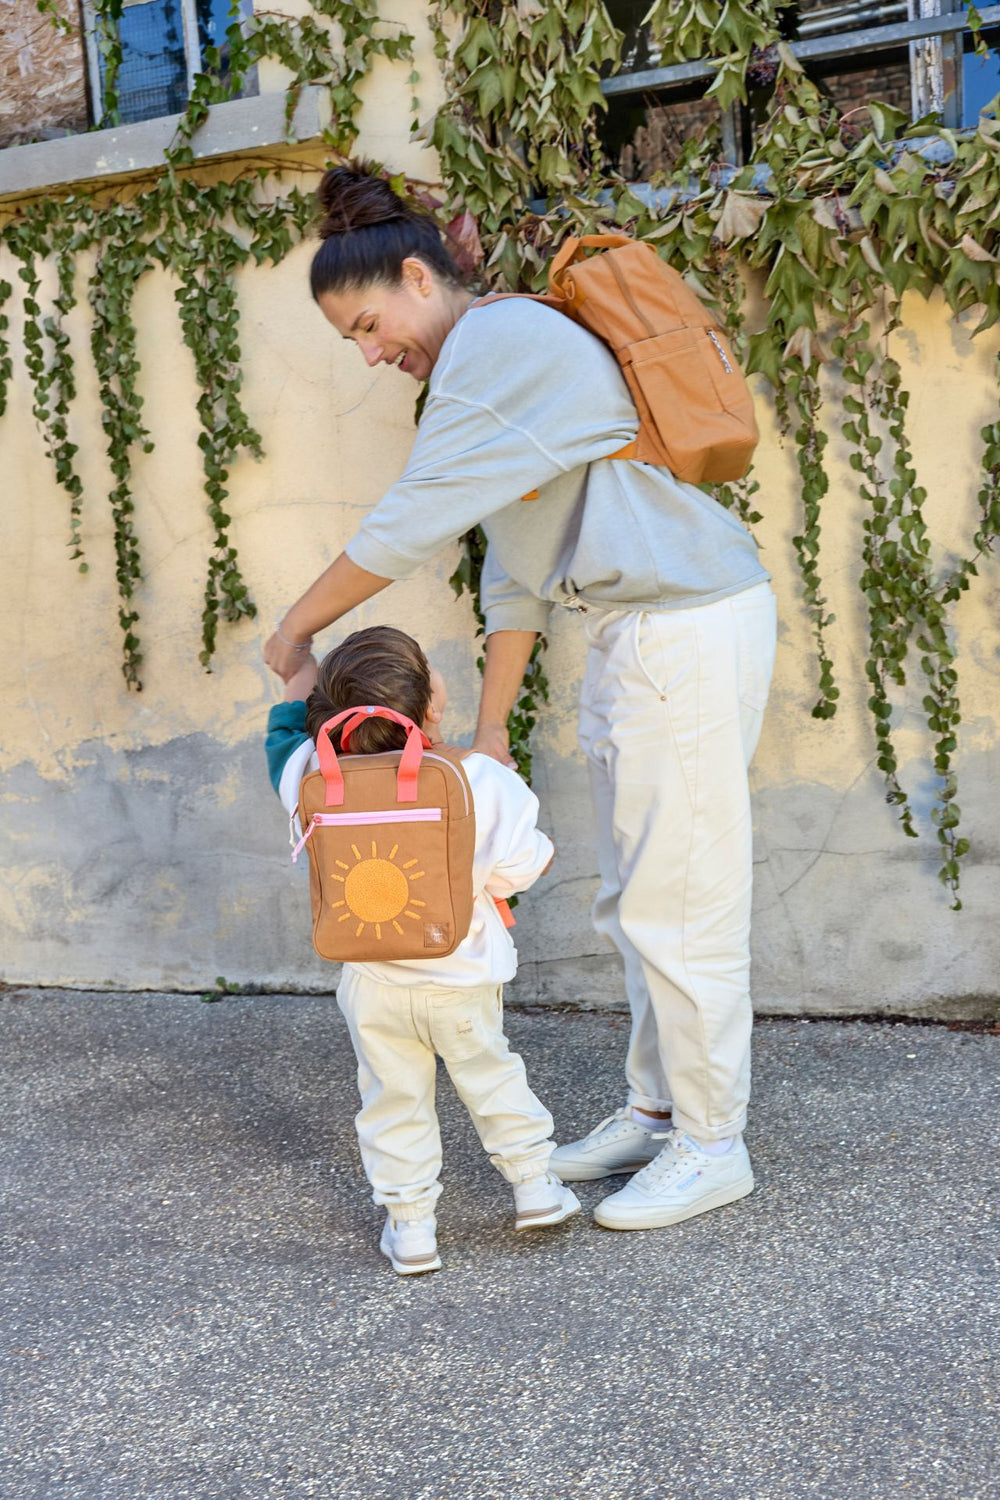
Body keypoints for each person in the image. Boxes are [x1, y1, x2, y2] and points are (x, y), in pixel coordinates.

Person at [264, 164, 777, 1233]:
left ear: (417, 276)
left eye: (368, 325)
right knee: (636, 897)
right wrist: (490, 730)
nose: (369, 355)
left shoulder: (495, 349)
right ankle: (657, 1108)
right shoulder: (485, 374)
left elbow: (408, 524)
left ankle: (713, 1141)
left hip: (683, 622)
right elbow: (516, 570)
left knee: (680, 898)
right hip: (639, 629)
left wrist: (296, 628)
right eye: (350, 343)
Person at [266, 625, 580, 1274]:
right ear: (431, 706)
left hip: (373, 986)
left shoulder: (308, 775)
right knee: (493, 1078)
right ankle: (534, 1187)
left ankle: (411, 1230)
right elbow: (526, 868)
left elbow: (285, 729)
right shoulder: (480, 779)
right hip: (462, 977)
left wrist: (298, 661)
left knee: (392, 1099)